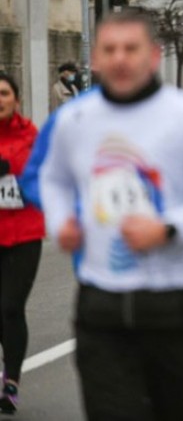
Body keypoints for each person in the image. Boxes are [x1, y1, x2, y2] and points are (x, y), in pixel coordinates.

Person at [37, 11, 183, 421]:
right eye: (109, 49)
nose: (119, 59)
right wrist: (60, 219)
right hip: (100, 302)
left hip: (171, 302)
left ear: (151, 56)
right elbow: (53, 178)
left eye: (130, 49)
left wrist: (168, 228)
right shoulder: (75, 119)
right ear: (94, 58)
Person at [0, 73, 44, 414]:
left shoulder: (31, 137)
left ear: (16, 98)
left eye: (3, 93)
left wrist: (15, 176)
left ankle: (11, 380)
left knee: (11, 307)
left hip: (24, 235)